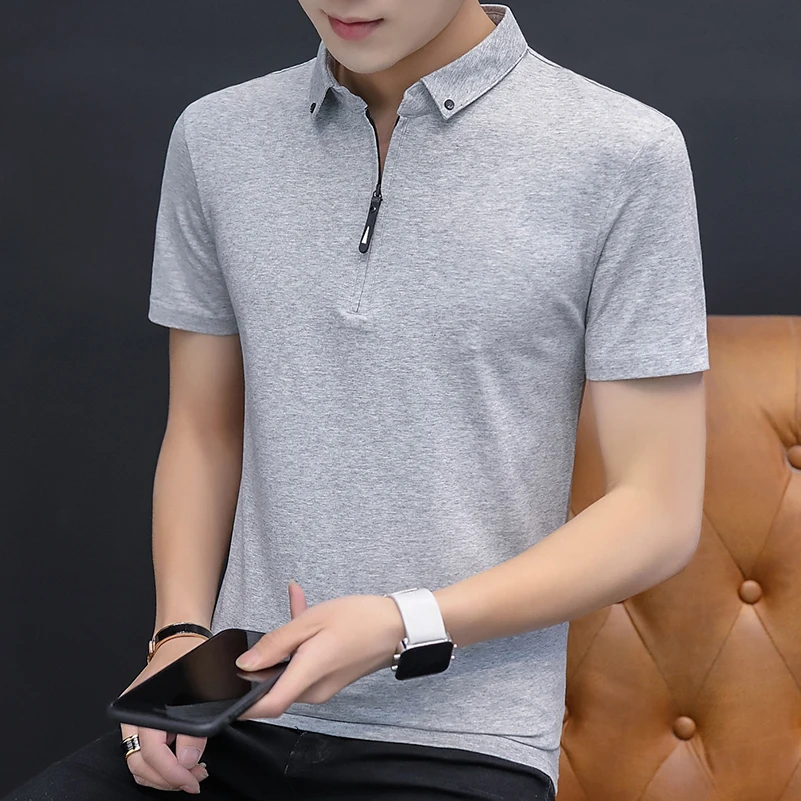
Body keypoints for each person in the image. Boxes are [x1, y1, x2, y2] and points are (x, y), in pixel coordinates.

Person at [3, 0, 710, 799]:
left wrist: (405, 622)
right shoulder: (217, 136)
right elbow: (203, 431)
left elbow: (656, 512)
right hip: (229, 711)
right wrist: (179, 637)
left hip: (459, 747)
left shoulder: (623, 152)